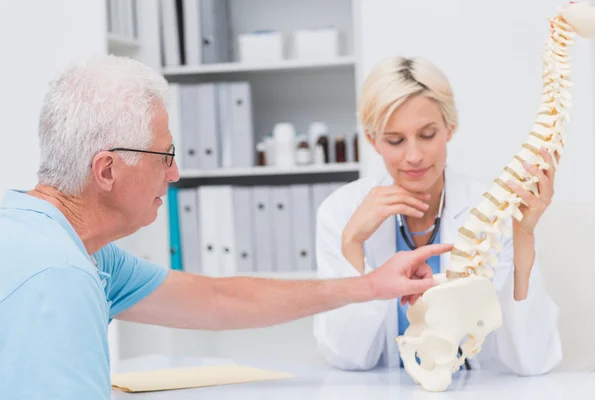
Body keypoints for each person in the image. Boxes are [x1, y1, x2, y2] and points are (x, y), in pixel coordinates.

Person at [0, 55, 453, 400]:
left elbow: (220, 300)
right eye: (166, 155)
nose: (175, 174)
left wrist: (371, 286)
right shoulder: (59, 276)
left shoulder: (84, 252)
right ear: (106, 170)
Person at [312, 56, 562, 375]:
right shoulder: (341, 211)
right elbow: (346, 357)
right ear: (373, 141)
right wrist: (353, 243)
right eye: (395, 140)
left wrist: (523, 236)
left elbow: (533, 361)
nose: (414, 156)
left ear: (450, 128)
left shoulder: (492, 211)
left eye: (427, 135)